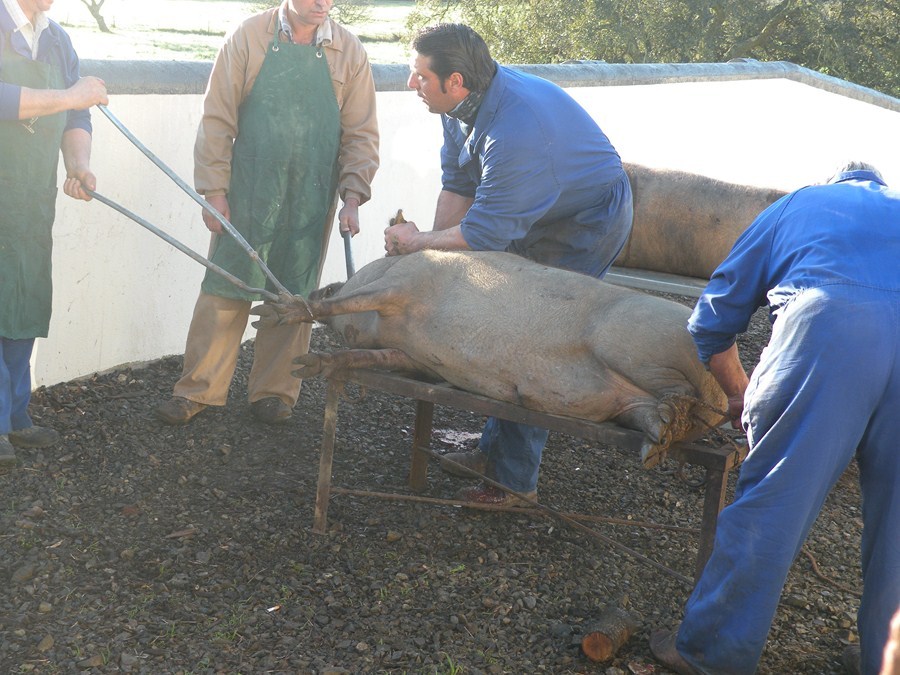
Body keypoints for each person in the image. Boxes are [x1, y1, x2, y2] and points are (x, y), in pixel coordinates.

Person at [648, 161, 900, 675]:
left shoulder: (798, 203)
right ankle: (887, 659)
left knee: (775, 502)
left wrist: (740, 396)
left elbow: (712, 319)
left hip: (831, 329)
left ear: (834, 182)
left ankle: (712, 653)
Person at [383, 23, 633, 506]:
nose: (412, 84)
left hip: (584, 222)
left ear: (455, 80)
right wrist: (431, 258)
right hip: (535, 207)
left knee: (534, 338)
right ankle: (493, 452)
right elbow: (458, 183)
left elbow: (482, 235)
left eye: (420, 76)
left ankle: (515, 483)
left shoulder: (517, 134)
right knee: (502, 319)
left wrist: (414, 243)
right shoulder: (456, 105)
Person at [155, 0, 379, 426]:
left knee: (293, 293)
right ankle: (198, 390)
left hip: (311, 194)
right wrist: (214, 191)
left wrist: (353, 195)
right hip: (249, 189)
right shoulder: (247, 38)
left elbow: (361, 133)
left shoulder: (349, 51)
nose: (322, 3)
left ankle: (274, 393)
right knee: (226, 285)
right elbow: (217, 119)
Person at [0, 0, 108, 468]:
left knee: (22, 300)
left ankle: (15, 416)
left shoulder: (56, 39)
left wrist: (78, 165)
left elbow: (78, 116)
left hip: (28, 201)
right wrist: (70, 95)